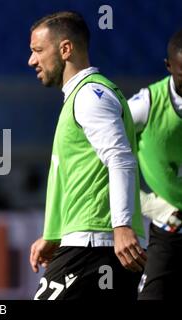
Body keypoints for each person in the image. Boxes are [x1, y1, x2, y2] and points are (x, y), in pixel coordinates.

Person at [27, 11, 147, 300]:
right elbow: (79, 177)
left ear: (65, 49)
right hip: (91, 241)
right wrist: (54, 234)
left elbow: (119, 158)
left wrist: (121, 226)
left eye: (38, 50)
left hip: (96, 244)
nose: (32, 61)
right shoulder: (82, 97)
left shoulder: (89, 96)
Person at [127, 28, 182, 300]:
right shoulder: (146, 105)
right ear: (168, 66)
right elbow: (99, 154)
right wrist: (150, 205)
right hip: (170, 227)